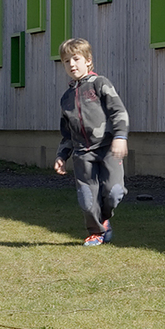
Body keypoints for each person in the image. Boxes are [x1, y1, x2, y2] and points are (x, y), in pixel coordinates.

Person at [52, 38, 129, 247]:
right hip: (82, 154)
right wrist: (61, 155)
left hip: (108, 149)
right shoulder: (66, 98)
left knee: (114, 193)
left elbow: (118, 111)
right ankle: (95, 232)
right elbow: (67, 133)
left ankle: (104, 219)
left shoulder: (99, 84)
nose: (72, 65)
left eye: (76, 59)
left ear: (88, 60)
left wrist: (120, 136)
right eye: (66, 61)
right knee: (87, 199)